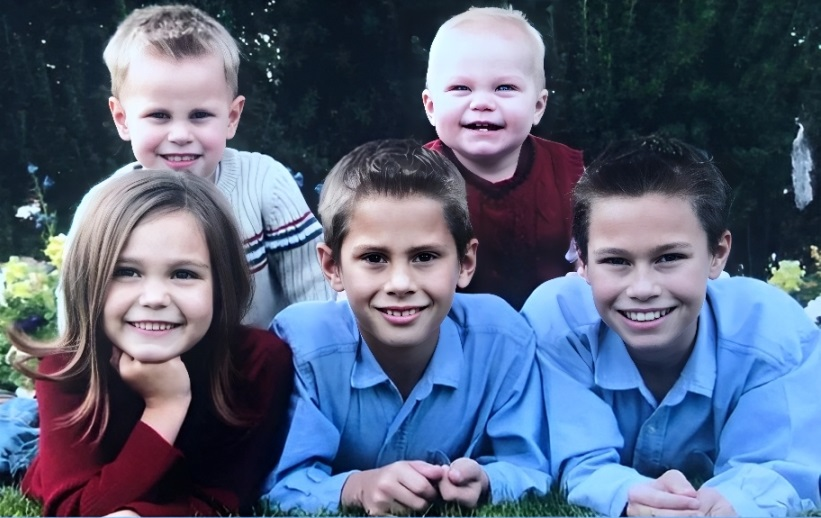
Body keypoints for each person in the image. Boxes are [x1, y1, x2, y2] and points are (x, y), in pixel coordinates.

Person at [521, 136, 821, 516]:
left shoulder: (769, 329)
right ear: (582, 261)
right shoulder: (557, 323)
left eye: (669, 257)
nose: (643, 289)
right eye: (616, 261)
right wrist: (625, 493)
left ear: (717, 254)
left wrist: (733, 502)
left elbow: (779, 463)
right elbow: (575, 457)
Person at [260, 139, 550, 515]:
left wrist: (488, 481)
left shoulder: (502, 341)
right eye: (374, 258)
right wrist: (356, 488)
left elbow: (531, 466)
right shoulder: (303, 346)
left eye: (425, 256)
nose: (400, 283)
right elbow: (278, 485)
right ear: (333, 267)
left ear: (465, 262)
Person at [11, 170, 293, 516]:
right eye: (126, 272)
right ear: (88, 281)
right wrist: (165, 407)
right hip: (44, 458)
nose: (155, 298)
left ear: (222, 286)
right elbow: (77, 509)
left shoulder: (257, 361)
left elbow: (221, 501)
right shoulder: (68, 367)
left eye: (184, 274)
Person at [60, 4, 332, 330]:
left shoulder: (263, 183)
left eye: (200, 115)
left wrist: (321, 356)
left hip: (260, 359)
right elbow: (75, 309)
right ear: (122, 119)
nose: (180, 135)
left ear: (232, 117)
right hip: (148, 354)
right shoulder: (103, 206)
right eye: (159, 115)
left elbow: (316, 295)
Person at [422, 6, 584, 310]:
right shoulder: (414, 179)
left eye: (504, 87)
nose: (482, 103)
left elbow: (593, 255)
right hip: (450, 327)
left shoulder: (568, 173)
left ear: (538, 106)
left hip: (551, 327)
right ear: (431, 107)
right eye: (461, 88)